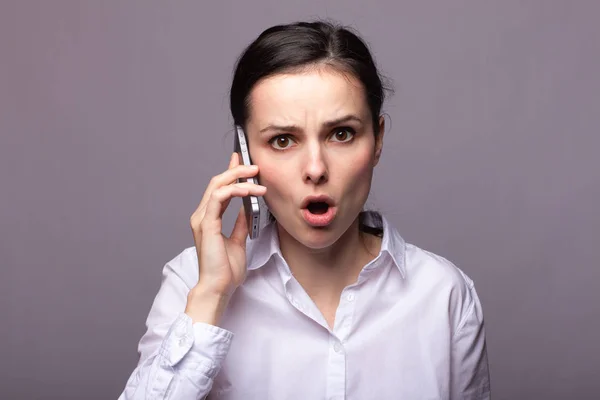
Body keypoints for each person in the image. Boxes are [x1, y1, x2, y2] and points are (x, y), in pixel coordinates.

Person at [119, 20, 491, 400]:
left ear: (377, 139)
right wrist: (211, 296)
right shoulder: (191, 284)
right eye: (283, 140)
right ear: (245, 154)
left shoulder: (444, 295)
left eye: (341, 133)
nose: (315, 169)